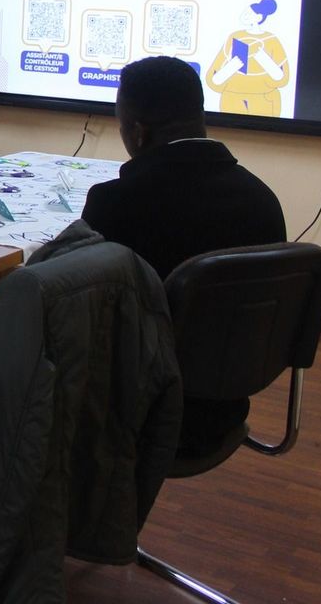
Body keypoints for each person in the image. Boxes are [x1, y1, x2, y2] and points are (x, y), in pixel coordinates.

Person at [81, 54, 287, 455]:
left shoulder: (116, 203)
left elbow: (78, 307)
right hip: (226, 405)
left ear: (137, 133)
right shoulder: (263, 200)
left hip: (134, 413)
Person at [204, 0, 291, 117]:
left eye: (248, 14)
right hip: (232, 97)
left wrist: (265, 61)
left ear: (259, 17)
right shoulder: (235, 36)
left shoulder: (271, 39)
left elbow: (282, 78)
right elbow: (214, 77)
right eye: (245, 13)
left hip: (264, 98)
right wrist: (230, 68)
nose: (244, 16)